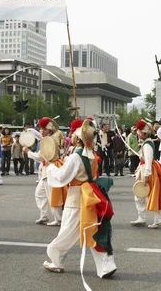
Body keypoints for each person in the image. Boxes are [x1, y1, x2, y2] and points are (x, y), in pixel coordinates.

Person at [43, 119, 117, 279]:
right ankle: (106, 265)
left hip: (75, 198)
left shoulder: (76, 157)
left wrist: (49, 167)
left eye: (73, 134)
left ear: (78, 138)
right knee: (92, 231)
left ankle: (56, 260)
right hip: (89, 196)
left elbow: (62, 177)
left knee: (67, 232)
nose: (71, 136)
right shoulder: (92, 155)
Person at [24, 117, 65, 226]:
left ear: (49, 130)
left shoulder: (49, 140)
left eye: (43, 129)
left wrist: (28, 152)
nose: (41, 131)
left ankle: (58, 219)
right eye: (41, 129)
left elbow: (39, 157)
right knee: (40, 194)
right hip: (46, 171)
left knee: (52, 195)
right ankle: (44, 215)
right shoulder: (50, 139)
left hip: (51, 170)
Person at [130, 120, 161, 228]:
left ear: (144, 133)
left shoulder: (147, 145)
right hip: (145, 169)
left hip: (147, 171)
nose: (138, 133)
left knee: (147, 195)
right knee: (140, 195)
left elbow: (149, 161)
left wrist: (146, 175)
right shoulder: (146, 143)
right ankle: (142, 217)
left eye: (140, 132)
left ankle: (156, 219)